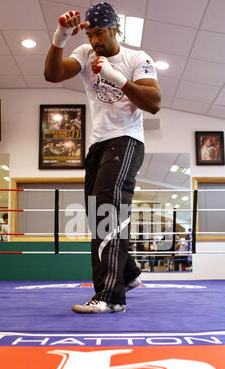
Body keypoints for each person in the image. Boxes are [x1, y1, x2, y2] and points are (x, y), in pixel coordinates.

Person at [45, 3, 161, 313]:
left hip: (126, 140)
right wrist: (61, 36)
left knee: (107, 210)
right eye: (91, 34)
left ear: (114, 29)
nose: (96, 40)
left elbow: (153, 103)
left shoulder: (137, 58)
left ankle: (110, 297)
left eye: (100, 34)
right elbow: (52, 74)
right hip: (97, 145)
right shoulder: (84, 54)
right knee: (97, 215)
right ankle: (129, 273)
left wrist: (118, 78)